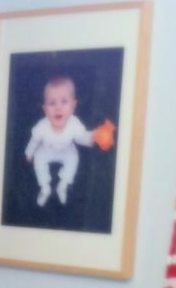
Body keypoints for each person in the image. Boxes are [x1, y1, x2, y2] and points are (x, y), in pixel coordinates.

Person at [24, 76, 111, 207]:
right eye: (52, 103)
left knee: (74, 159)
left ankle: (63, 185)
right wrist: (29, 153)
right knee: (38, 159)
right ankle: (45, 187)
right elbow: (34, 140)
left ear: (73, 106)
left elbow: (82, 137)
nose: (58, 107)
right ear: (45, 109)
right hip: (47, 149)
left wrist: (94, 136)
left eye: (64, 102)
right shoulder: (42, 126)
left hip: (66, 149)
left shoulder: (74, 124)